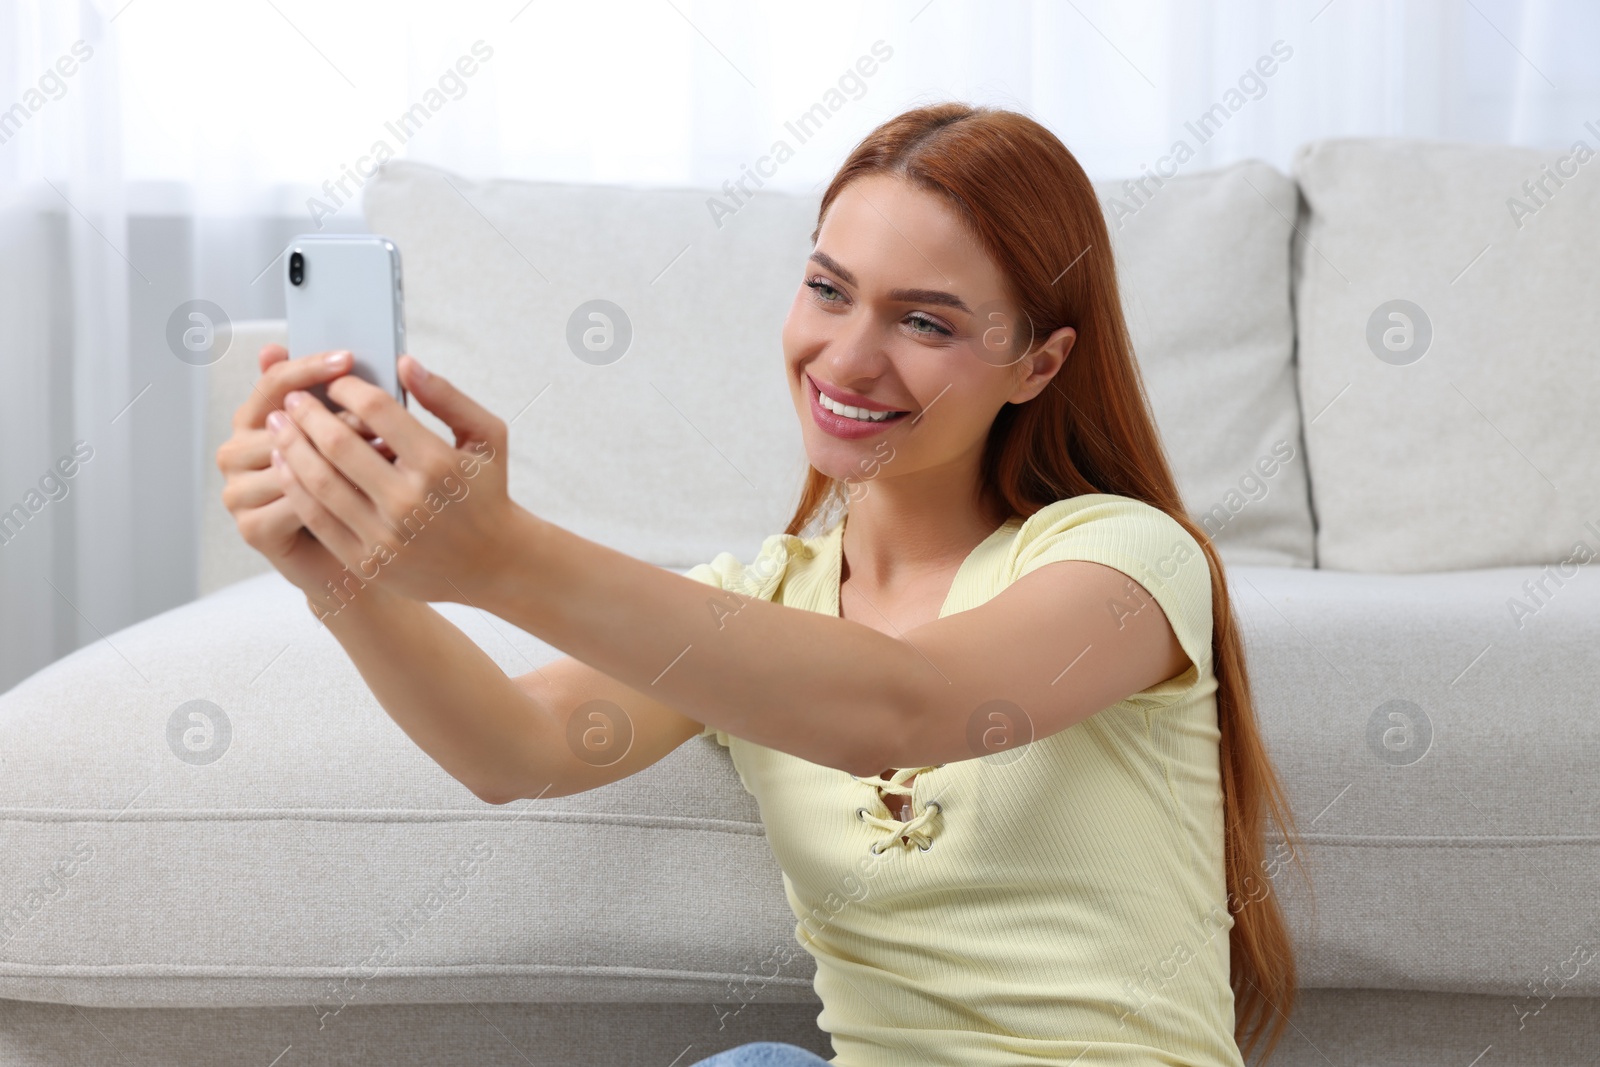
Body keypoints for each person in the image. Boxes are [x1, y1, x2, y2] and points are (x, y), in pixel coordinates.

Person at [218, 103, 1306, 1067]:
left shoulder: (1126, 559)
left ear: (1040, 362)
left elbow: (910, 703)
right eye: (828, 290)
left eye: (923, 321)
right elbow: (514, 746)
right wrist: (341, 577)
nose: (846, 358)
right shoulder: (760, 606)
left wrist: (500, 553)